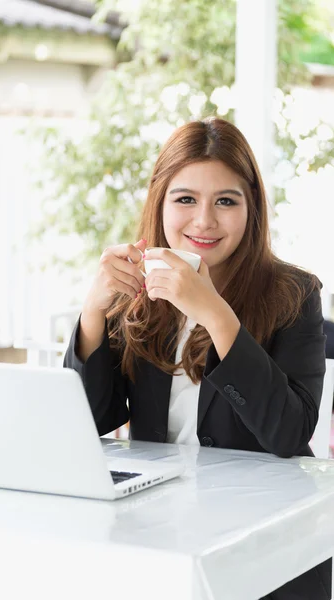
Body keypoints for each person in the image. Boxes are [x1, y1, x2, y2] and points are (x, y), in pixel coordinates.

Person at [64, 117, 331, 600]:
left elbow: (289, 433)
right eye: (185, 199)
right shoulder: (142, 291)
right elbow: (88, 422)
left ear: (251, 208)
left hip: (266, 537)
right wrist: (93, 314)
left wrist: (214, 312)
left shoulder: (294, 293)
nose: (204, 220)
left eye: (225, 201)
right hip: (159, 530)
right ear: (160, 203)